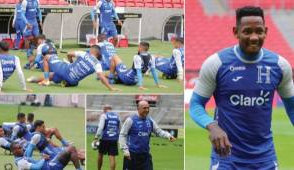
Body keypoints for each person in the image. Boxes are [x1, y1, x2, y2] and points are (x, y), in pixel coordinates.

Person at [189, 6, 294, 169]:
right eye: (247, 31)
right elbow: (195, 104)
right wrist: (212, 126)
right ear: (236, 32)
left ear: (265, 31)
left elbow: (292, 108)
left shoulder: (280, 66)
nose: (254, 37)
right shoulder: (217, 63)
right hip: (226, 158)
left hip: (265, 159)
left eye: (259, 31)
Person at [27, 45, 120, 91]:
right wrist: (110, 88)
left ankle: (46, 80)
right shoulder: (98, 64)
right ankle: (35, 79)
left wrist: (71, 62)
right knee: (54, 76)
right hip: (73, 81)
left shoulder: (84, 54)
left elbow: (68, 54)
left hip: (66, 70)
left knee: (46, 57)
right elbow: (101, 77)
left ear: (93, 50)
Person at [119, 100, 176, 170]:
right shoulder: (130, 120)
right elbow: (122, 135)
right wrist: (125, 151)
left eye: (148, 108)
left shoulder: (150, 120)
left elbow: (158, 131)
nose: (147, 110)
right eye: (144, 108)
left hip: (145, 156)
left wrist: (168, 136)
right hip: (132, 155)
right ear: (138, 109)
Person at [11, 141, 83, 170]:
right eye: (19, 148)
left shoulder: (21, 158)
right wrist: (43, 159)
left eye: (21, 147)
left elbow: (35, 162)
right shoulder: (21, 163)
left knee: (67, 150)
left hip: (47, 165)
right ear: (14, 151)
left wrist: (43, 157)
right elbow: (37, 167)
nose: (22, 149)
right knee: (71, 149)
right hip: (49, 168)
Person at [93, 105, 120, 170]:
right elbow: (119, 127)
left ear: (105, 109)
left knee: (100, 154)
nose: (103, 111)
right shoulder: (117, 116)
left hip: (104, 138)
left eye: (103, 109)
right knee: (112, 157)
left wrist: (96, 137)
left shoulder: (104, 115)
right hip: (114, 139)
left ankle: (99, 169)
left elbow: (100, 127)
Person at [21, 0, 42, 67]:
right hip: (27, 21)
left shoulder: (37, 1)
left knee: (37, 37)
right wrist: (26, 23)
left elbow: (39, 11)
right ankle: (28, 53)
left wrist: (40, 20)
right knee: (27, 38)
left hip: (34, 21)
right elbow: (22, 14)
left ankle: (36, 51)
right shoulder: (25, 2)